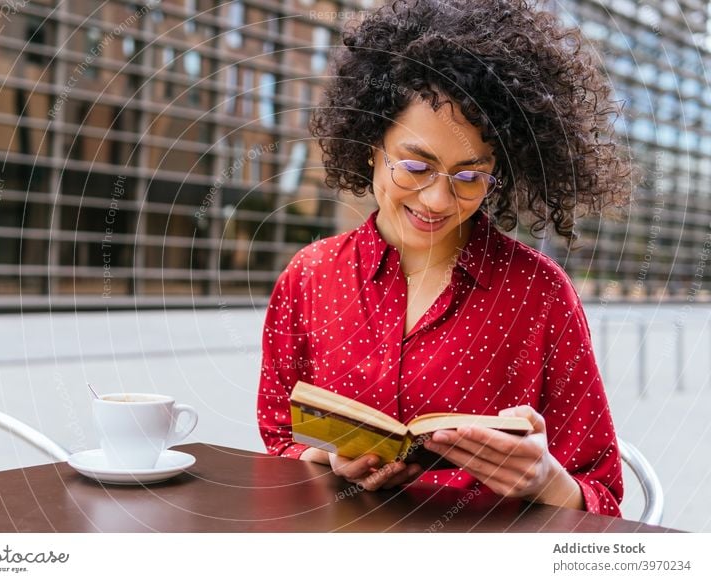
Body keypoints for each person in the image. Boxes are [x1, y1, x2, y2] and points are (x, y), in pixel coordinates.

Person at [257, 0, 633, 517]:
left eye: (469, 175)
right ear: (371, 145)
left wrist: (546, 479)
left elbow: (604, 501)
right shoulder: (309, 276)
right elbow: (280, 438)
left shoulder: (540, 295)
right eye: (416, 165)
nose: (436, 200)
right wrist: (326, 457)